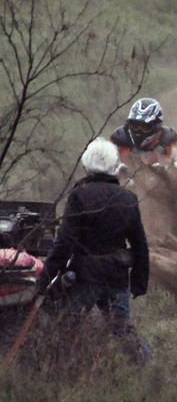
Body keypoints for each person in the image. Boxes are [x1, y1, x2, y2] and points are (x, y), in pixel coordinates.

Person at [36, 138, 151, 363]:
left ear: (86, 165)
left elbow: (64, 242)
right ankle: (149, 369)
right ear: (114, 166)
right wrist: (139, 282)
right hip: (116, 276)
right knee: (123, 331)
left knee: (67, 329)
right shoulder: (128, 198)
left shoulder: (79, 195)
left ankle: (65, 371)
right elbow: (139, 244)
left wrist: (44, 280)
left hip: (85, 277)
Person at [110, 98, 177, 179]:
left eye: (143, 126)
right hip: (123, 185)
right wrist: (119, 170)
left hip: (162, 185)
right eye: (135, 125)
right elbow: (104, 164)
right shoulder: (119, 140)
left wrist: (167, 172)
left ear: (156, 126)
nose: (138, 130)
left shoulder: (168, 139)